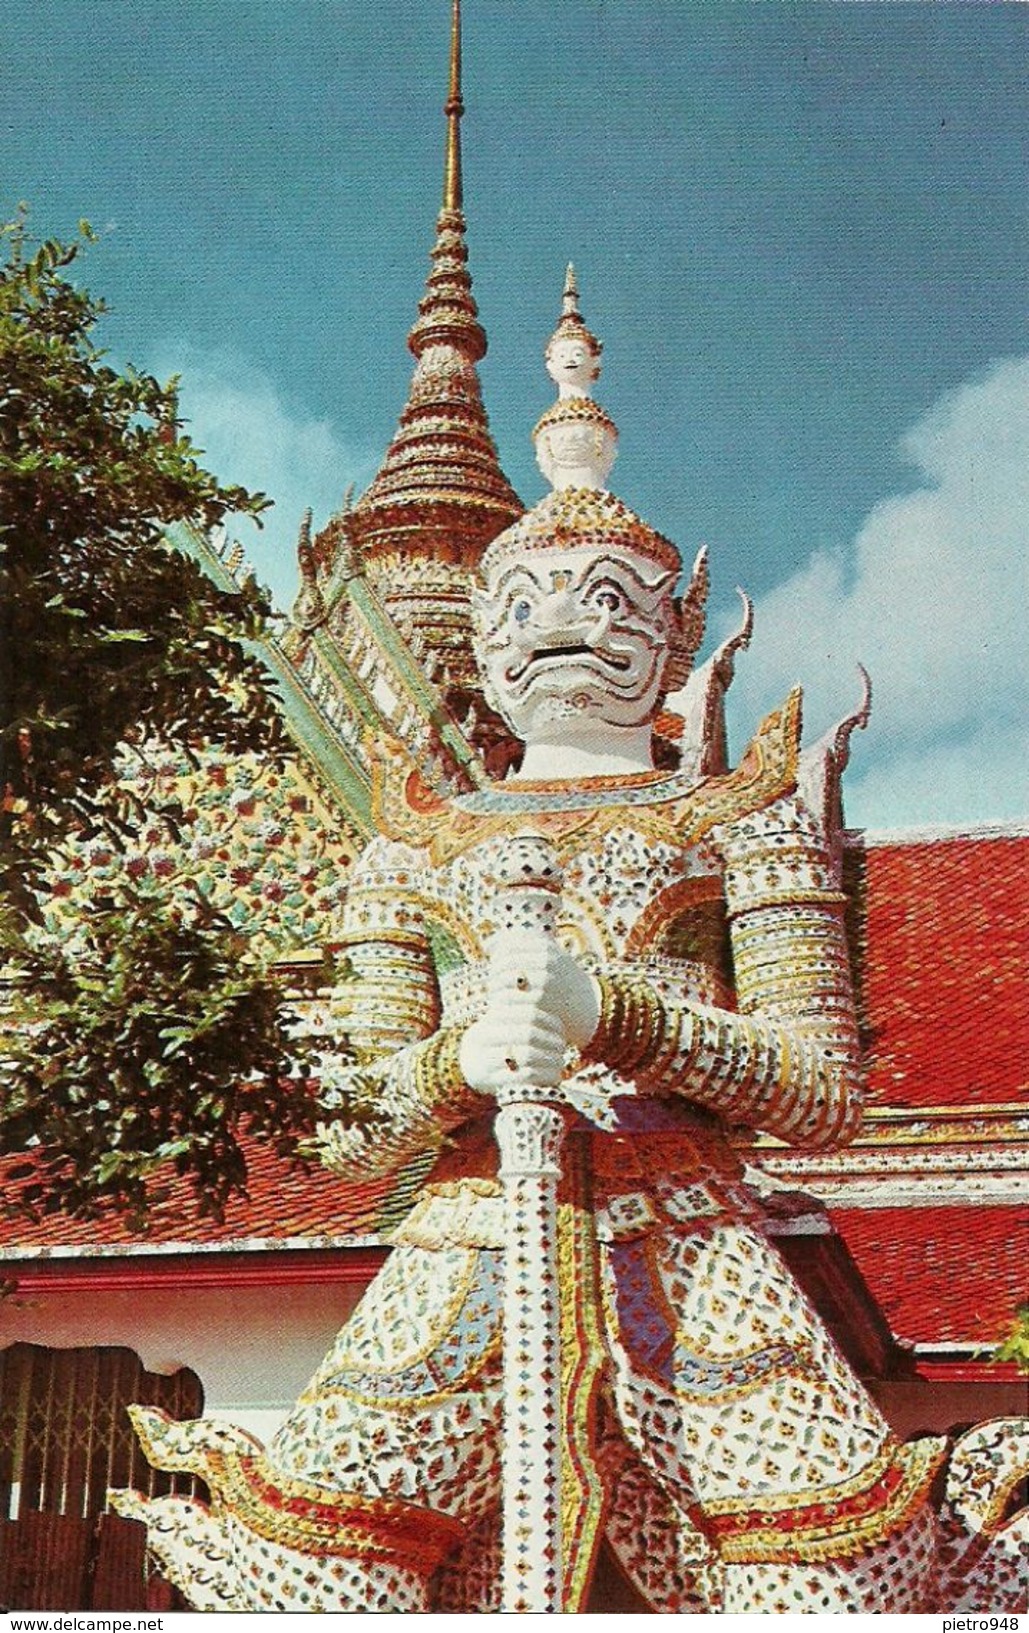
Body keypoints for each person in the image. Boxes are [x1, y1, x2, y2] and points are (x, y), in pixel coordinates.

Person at [118, 280, 945, 1614]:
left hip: (693, 1246)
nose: (564, 621)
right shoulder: (413, 844)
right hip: (462, 1248)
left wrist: (614, 1011)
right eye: (528, 600)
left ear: (676, 632)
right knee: (313, 1584)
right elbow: (345, 1127)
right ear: (486, 639)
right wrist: (466, 1050)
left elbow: (818, 1088)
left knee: (829, 1590)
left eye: (612, 598)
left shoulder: (741, 823)